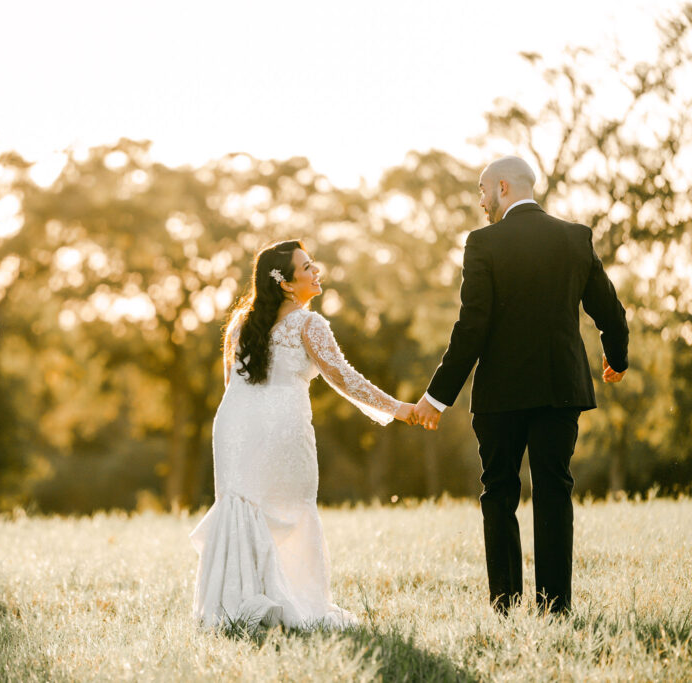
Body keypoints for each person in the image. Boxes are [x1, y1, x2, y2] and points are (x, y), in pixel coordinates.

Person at [410, 156, 629, 616]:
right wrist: (617, 355)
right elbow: (609, 309)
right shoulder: (575, 237)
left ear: (503, 187)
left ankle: (505, 606)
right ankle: (555, 609)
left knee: (499, 492)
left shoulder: (483, 243)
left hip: (501, 395)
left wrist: (437, 397)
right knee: (554, 490)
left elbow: (472, 327)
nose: (481, 201)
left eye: (482, 191)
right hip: (560, 389)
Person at [190, 239, 413, 629]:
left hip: (234, 428)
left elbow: (232, 387)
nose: (317, 271)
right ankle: (289, 600)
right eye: (308, 267)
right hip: (281, 428)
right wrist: (399, 408)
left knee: (246, 506)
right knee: (290, 506)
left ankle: (236, 606)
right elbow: (345, 379)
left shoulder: (239, 325)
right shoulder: (310, 324)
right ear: (287, 284)